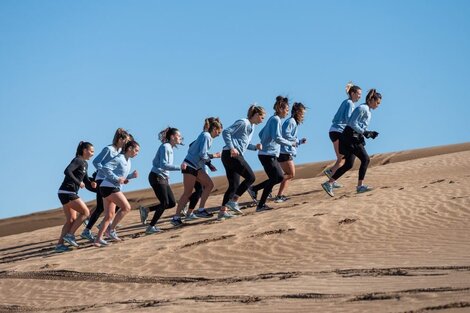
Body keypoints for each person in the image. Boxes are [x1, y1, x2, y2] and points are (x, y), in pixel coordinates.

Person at [321, 89, 382, 197]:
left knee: (349, 164)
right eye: (377, 103)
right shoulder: (362, 108)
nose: (378, 106)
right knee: (366, 159)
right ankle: (360, 186)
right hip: (350, 137)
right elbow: (351, 123)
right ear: (372, 100)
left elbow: (359, 125)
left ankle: (329, 183)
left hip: (352, 137)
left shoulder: (367, 109)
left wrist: (368, 133)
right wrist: (365, 132)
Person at [171, 118, 224, 226]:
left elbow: (192, 146)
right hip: (190, 166)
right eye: (218, 132)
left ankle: (200, 210)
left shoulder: (204, 135)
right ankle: (176, 217)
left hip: (195, 166)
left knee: (209, 185)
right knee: (188, 192)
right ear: (214, 129)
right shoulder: (206, 136)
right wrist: (213, 158)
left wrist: (208, 163)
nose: (218, 135)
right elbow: (203, 154)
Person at [247, 96, 297, 212]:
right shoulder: (276, 120)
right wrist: (290, 143)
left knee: (276, 178)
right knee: (278, 177)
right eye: (286, 109)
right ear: (280, 108)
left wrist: (266, 141)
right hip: (267, 154)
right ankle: (260, 203)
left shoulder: (272, 119)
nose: (287, 112)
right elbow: (277, 137)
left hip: (267, 154)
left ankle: (255, 190)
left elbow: (261, 133)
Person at [80, 128, 130, 242]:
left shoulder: (120, 151)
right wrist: (105, 172)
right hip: (102, 180)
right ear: (120, 139)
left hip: (110, 181)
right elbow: (96, 162)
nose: (126, 143)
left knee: (110, 206)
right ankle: (88, 230)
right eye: (125, 140)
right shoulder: (109, 149)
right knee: (101, 207)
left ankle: (103, 227)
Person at [94, 140, 140, 247]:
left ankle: (98, 239)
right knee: (126, 207)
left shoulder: (128, 161)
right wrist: (116, 178)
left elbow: (120, 176)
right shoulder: (120, 158)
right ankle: (111, 230)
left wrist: (130, 177)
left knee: (109, 216)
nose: (137, 153)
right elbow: (106, 168)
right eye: (136, 150)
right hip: (109, 187)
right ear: (129, 149)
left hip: (108, 187)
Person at [221, 104, 265, 215]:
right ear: (256, 114)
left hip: (229, 155)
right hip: (231, 154)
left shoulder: (252, 126)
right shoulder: (243, 122)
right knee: (251, 177)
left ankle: (223, 212)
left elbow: (245, 144)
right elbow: (226, 132)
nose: (262, 120)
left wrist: (255, 147)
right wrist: (232, 148)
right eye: (262, 117)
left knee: (234, 185)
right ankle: (233, 201)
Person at [139, 127, 184, 234]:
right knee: (164, 203)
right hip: (156, 177)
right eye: (179, 136)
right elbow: (163, 164)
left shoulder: (169, 147)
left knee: (172, 203)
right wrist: (180, 167)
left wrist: (166, 174)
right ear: (172, 137)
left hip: (161, 177)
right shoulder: (166, 147)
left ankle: (146, 210)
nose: (180, 138)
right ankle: (151, 227)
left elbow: (160, 163)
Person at [55, 141, 96, 252]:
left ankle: (59, 245)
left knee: (71, 219)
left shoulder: (85, 163)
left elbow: (86, 179)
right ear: (85, 150)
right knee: (86, 212)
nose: (92, 154)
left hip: (64, 192)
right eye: (91, 151)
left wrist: (91, 183)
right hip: (68, 192)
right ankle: (70, 235)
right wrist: (78, 182)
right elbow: (67, 171)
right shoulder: (78, 160)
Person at [324, 83, 362, 188]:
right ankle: (331, 174)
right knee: (344, 158)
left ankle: (332, 176)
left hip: (335, 131)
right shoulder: (350, 103)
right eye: (358, 94)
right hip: (338, 131)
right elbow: (348, 119)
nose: (360, 96)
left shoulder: (346, 102)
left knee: (341, 158)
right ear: (352, 93)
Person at [274, 102, 307, 203]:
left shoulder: (293, 122)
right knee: (290, 174)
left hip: (286, 151)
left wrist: (299, 141)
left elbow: (291, 138)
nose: (303, 115)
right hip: (284, 151)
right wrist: (297, 141)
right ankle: (275, 192)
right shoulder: (291, 121)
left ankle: (280, 194)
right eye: (302, 113)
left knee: (289, 174)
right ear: (297, 112)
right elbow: (284, 135)